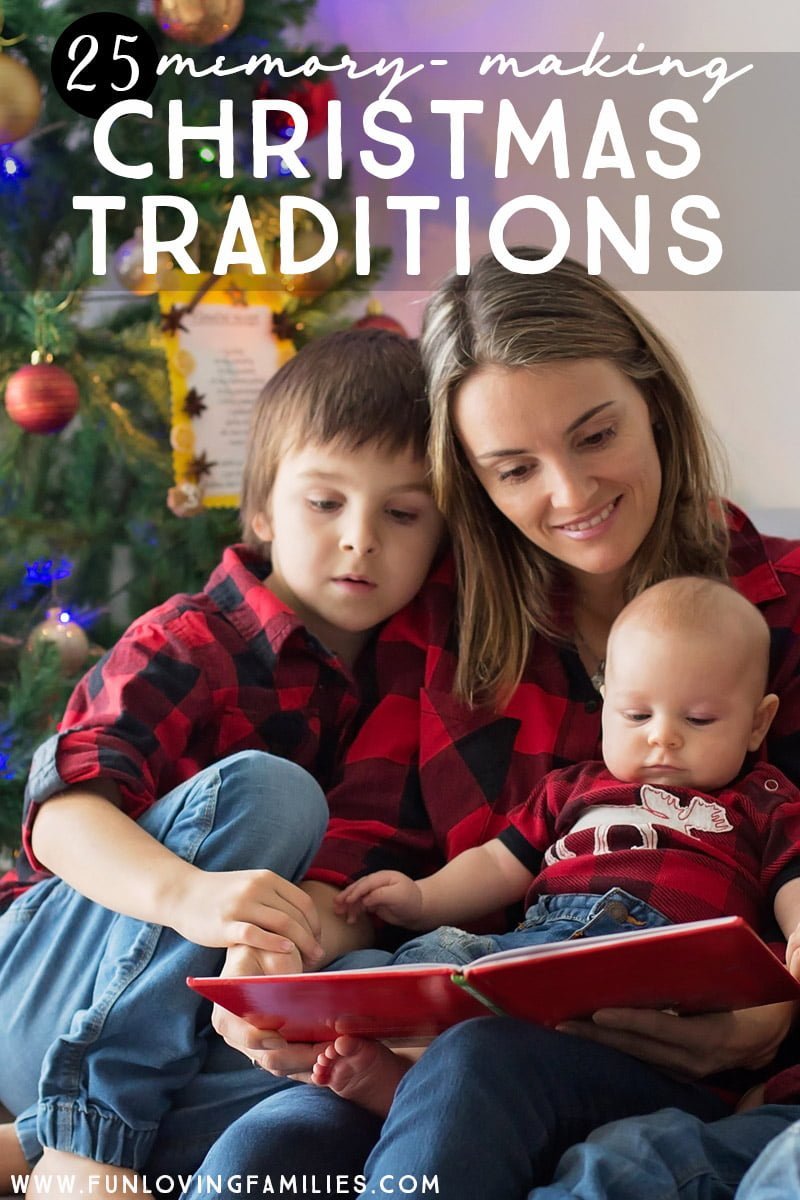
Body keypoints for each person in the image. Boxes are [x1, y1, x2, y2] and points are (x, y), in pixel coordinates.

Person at [201, 248, 800, 1199]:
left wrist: (774, 1014)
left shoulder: (783, 612)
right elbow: (361, 870)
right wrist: (283, 963)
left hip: (705, 1084)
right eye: (515, 468)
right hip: (447, 1045)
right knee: (258, 1153)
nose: (568, 495)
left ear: (653, 402)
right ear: (472, 482)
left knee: (482, 1070)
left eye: (596, 435)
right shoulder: (446, 632)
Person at [0, 328, 445, 1197]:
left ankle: (31, 1148)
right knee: (270, 792)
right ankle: (90, 1140)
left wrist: (285, 953)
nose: (360, 540)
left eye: (402, 513)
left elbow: (354, 888)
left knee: (365, 1010)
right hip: (43, 977)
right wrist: (190, 895)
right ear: (263, 510)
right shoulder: (191, 638)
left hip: (188, 1027)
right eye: (326, 503)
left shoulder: (415, 686)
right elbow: (60, 816)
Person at [311, 576, 799, 1114]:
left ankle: (418, 1078)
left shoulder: (763, 799)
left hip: (664, 960)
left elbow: (793, 877)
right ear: (606, 702)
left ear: (758, 723)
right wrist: (422, 898)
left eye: (699, 719)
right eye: (637, 715)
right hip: (541, 947)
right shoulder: (573, 788)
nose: (663, 736)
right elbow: (499, 861)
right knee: (430, 960)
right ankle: (405, 1075)